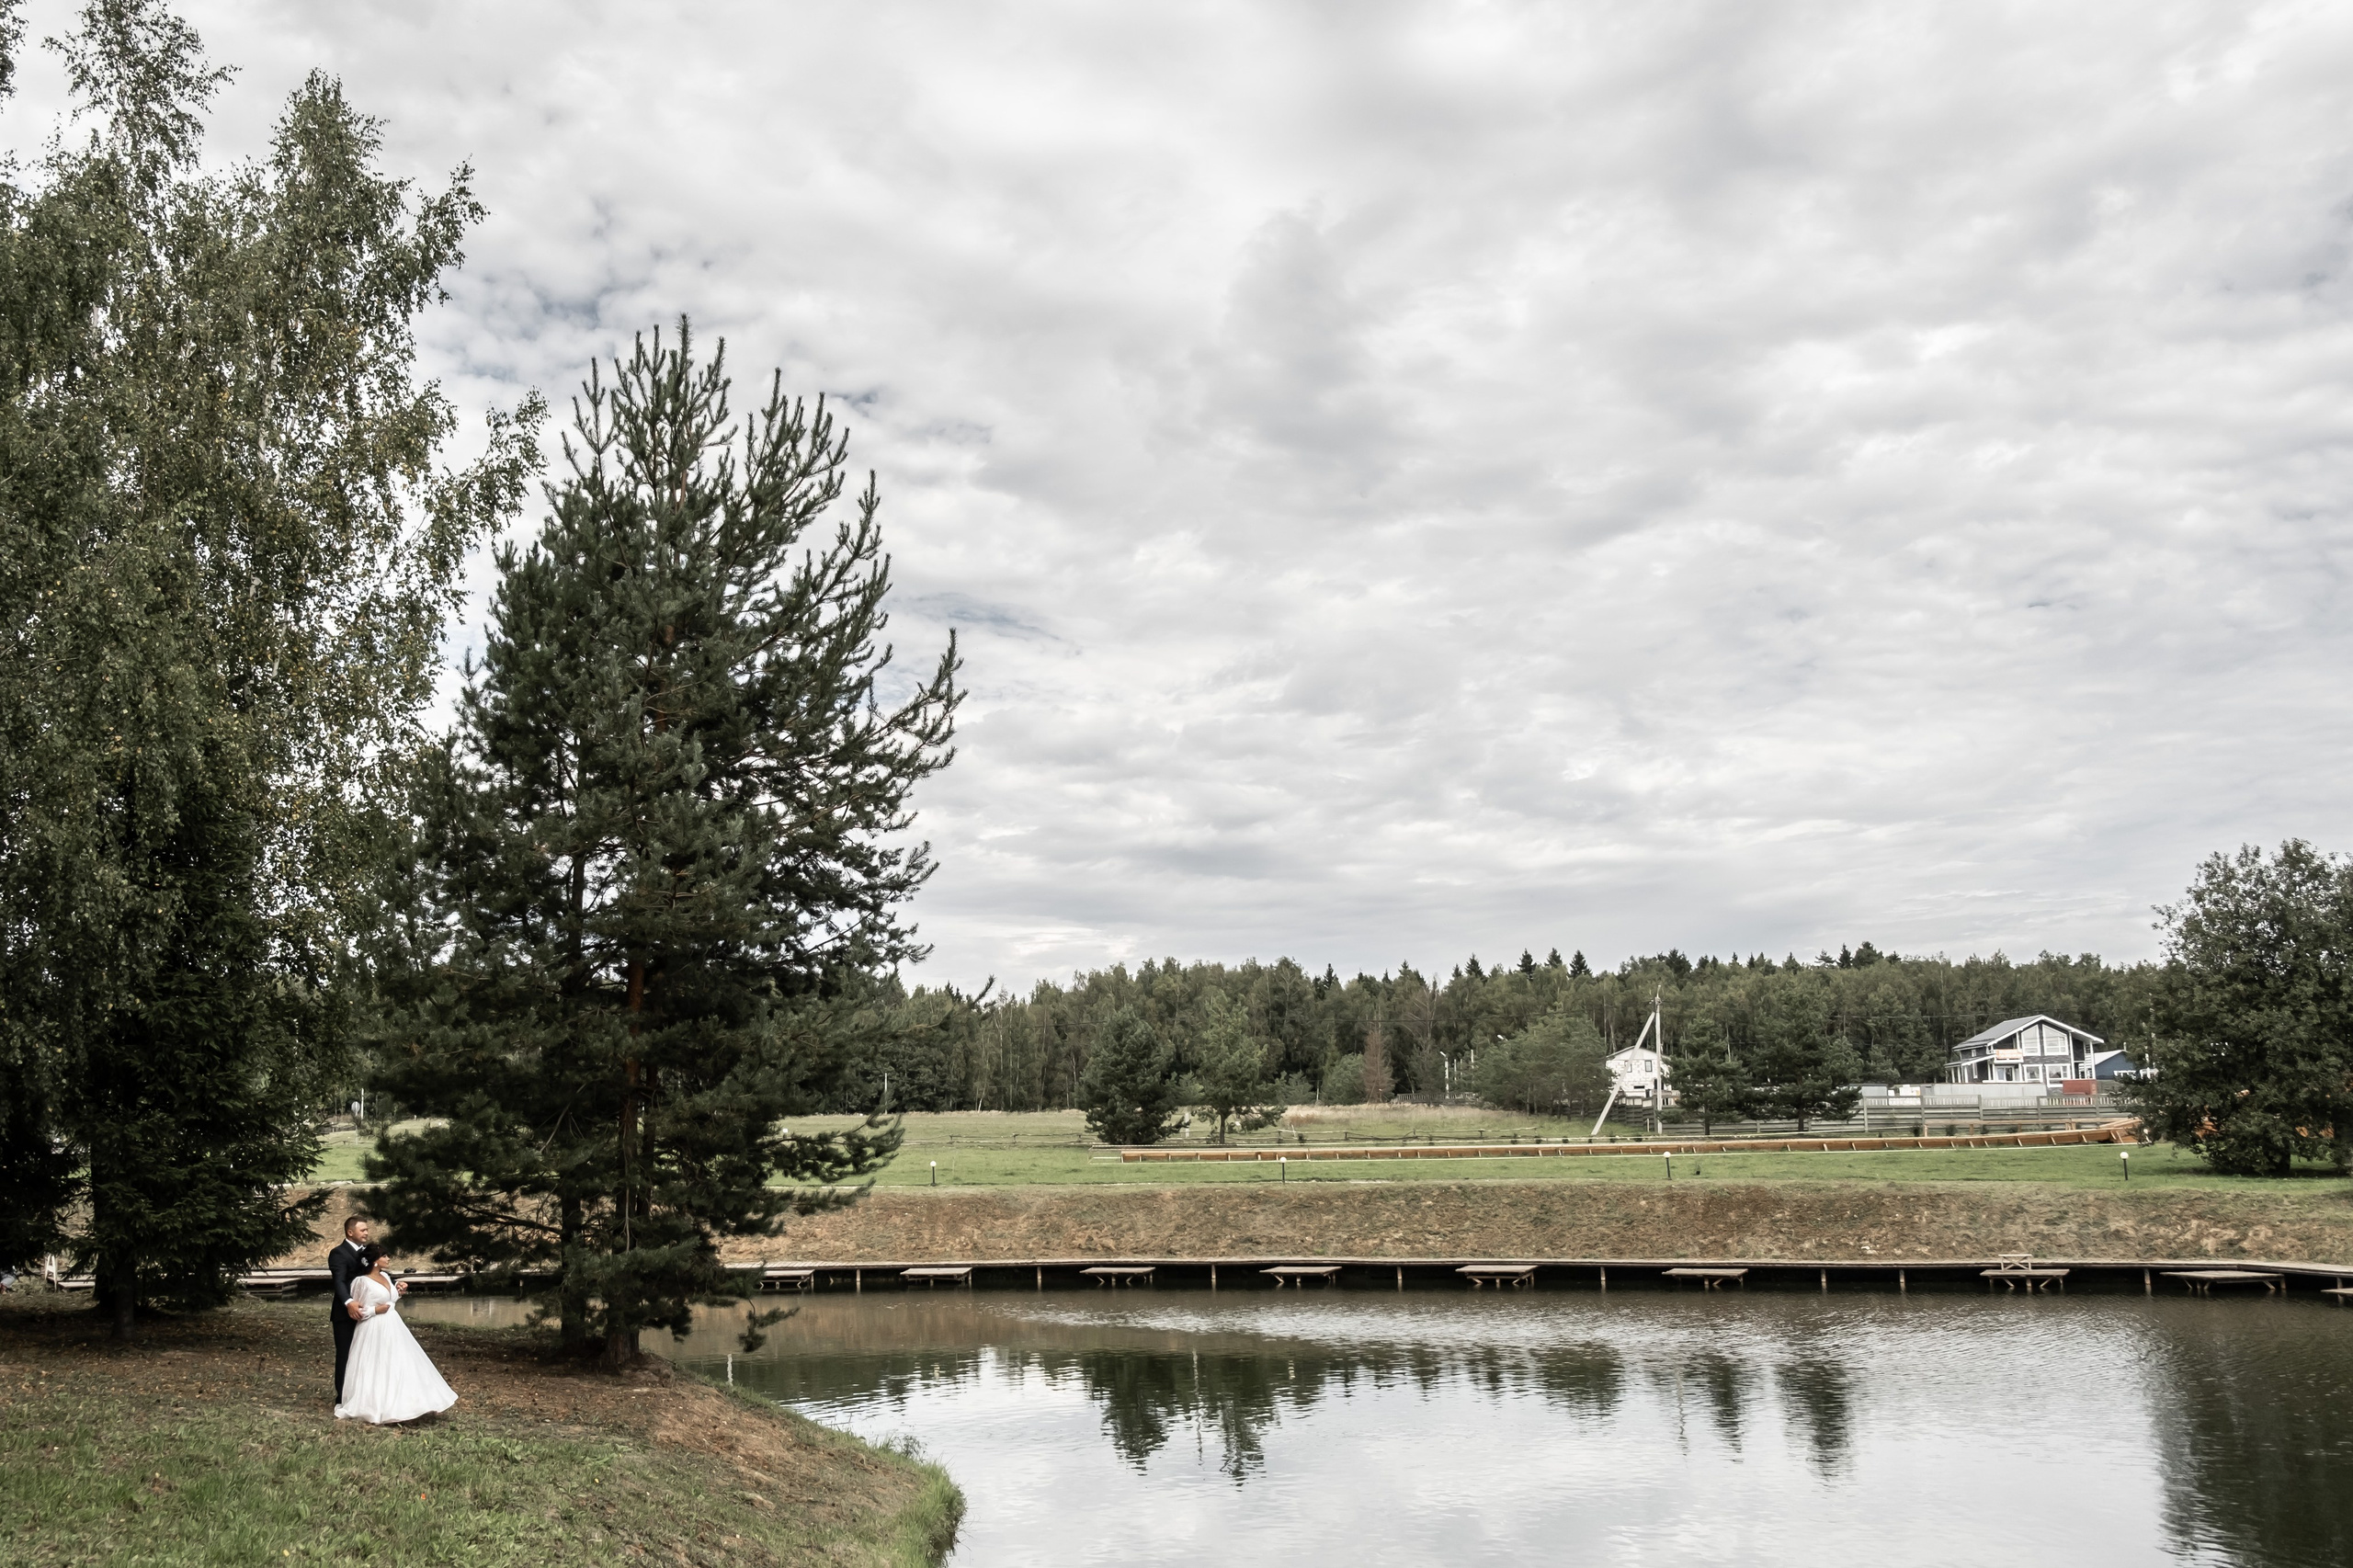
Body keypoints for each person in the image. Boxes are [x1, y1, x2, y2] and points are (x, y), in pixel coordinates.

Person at [334, 1244, 457, 1425]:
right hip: (373, 1328)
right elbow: (358, 1311)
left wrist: (398, 1292)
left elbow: (388, 1301)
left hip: (393, 1325)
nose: (388, 1259)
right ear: (375, 1261)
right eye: (384, 1256)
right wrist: (375, 1310)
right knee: (376, 1364)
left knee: (400, 1361)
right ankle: (376, 1403)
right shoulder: (361, 1282)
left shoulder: (385, 1276)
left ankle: (409, 1402)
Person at [328, 1216, 386, 1403]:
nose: (367, 1233)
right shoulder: (338, 1253)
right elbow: (339, 1281)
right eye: (363, 1230)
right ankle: (343, 1397)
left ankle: (364, 1394)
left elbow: (377, 1273)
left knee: (366, 1353)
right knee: (346, 1354)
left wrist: (395, 1285)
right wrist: (349, 1302)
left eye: (367, 1230)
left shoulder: (367, 1252)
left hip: (367, 1313)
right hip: (345, 1314)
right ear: (350, 1232)